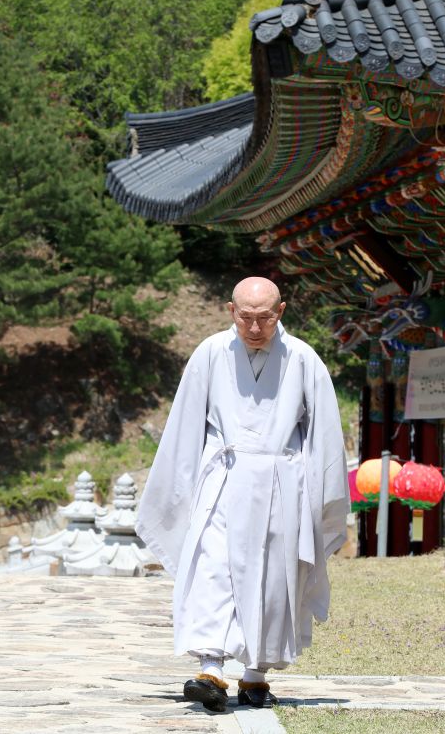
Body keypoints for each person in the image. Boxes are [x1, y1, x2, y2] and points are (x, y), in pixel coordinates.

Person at [136, 277, 349, 713]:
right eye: (246, 317)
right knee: (212, 568)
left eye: (264, 318)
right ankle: (210, 668)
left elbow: (325, 434)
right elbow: (185, 424)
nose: (254, 327)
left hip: (280, 483)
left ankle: (255, 674)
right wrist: (180, 486)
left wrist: (318, 497)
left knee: (274, 581)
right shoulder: (210, 353)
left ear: (281, 312)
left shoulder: (303, 359)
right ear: (230, 310)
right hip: (224, 478)